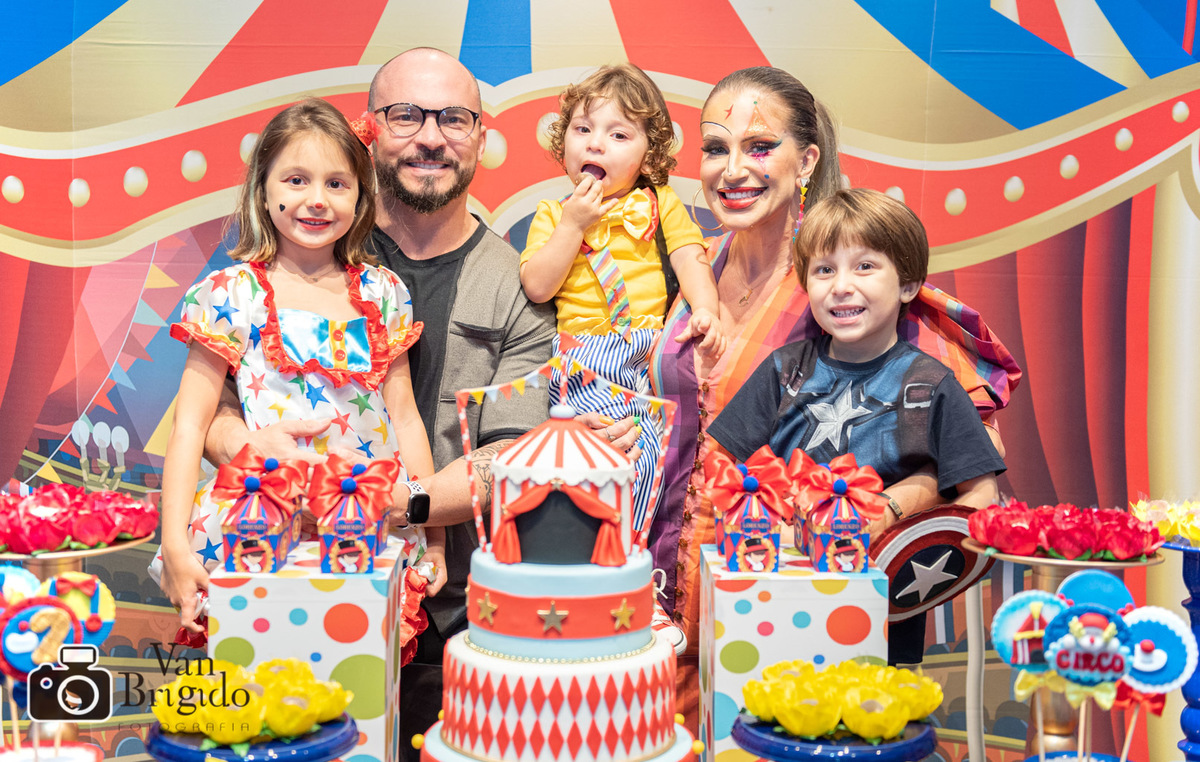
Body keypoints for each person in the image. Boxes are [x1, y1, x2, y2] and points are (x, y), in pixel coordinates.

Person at [203, 49, 557, 762]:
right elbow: (209, 411)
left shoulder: (521, 286)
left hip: (455, 623)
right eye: (406, 116)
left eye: (453, 118)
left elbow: (513, 455)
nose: (431, 137)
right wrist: (248, 449)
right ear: (368, 130)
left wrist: (409, 507)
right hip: (287, 581)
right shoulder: (298, 256)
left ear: (482, 138)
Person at [643, 66, 1021, 731]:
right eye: (715, 147)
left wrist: (872, 507)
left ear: (807, 159)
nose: (733, 168)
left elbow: (974, 459)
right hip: (673, 589)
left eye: (760, 147)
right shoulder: (696, 265)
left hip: (798, 595)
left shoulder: (843, 279)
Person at [152, 98, 445, 630]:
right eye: (295, 180)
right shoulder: (229, 293)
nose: (316, 200)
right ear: (262, 191)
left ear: (361, 198)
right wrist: (174, 544)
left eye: (337, 183)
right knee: (266, 679)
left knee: (358, 678)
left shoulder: (384, 293)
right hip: (258, 528)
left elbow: (404, 418)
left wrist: (436, 535)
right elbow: (190, 424)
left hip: (366, 529)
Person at [707, 187, 1005, 543]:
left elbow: (981, 493)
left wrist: (908, 549)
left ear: (908, 284)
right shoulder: (784, 370)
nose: (842, 286)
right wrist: (763, 530)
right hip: (782, 575)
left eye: (865, 267)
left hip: (880, 586)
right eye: (824, 270)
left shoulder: (931, 384)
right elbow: (722, 470)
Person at [520, 62, 725, 538]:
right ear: (563, 142)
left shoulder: (660, 203)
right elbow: (537, 285)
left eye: (618, 135)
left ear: (647, 155)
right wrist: (573, 225)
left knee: (649, 453)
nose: (595, 143)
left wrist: (706, 308)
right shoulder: (553, 213)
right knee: (594, 458)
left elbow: (689, 256)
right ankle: (590, 552)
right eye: (583, 129)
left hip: (647, 356)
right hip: (583, 359)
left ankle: (626, 556)